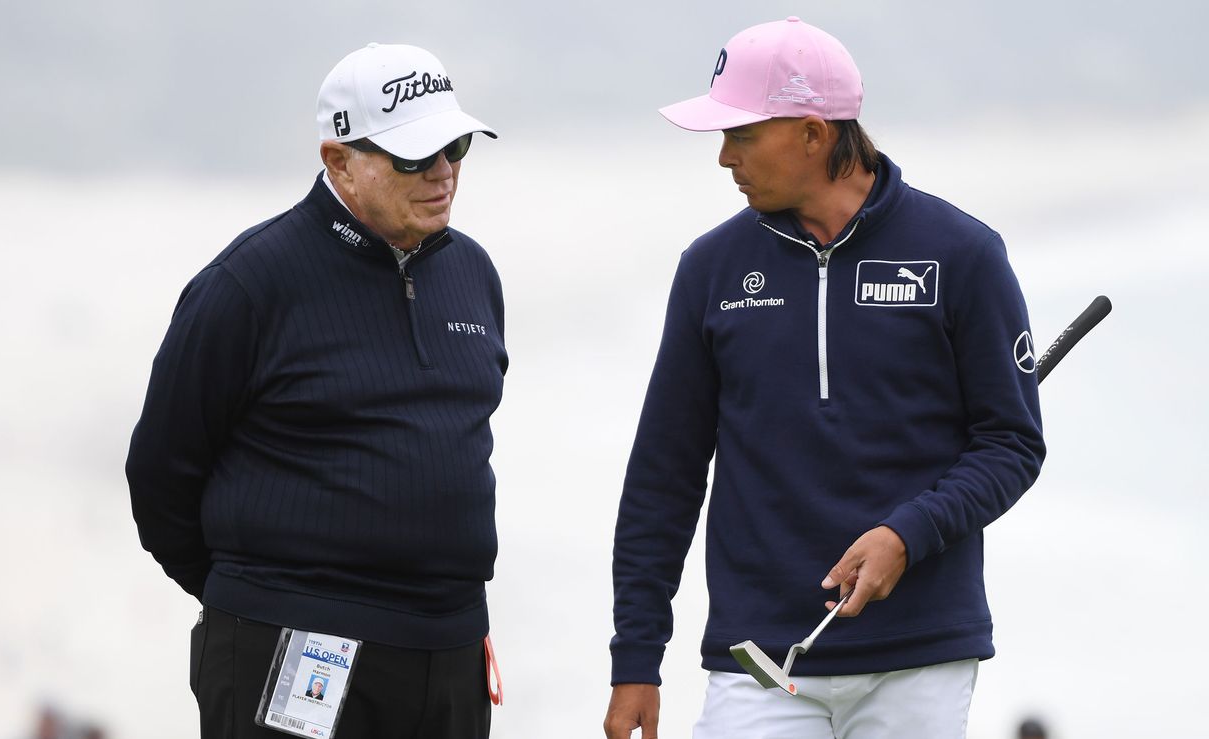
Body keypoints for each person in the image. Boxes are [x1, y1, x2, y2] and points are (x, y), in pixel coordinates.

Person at [604, 17, 1045, 739]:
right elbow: (664, 475)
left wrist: (909, 533)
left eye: (740, 135)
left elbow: (1011, 444)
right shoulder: (710, 269)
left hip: (919, 658)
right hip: (758, 664)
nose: (723, 158)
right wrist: (636, 659)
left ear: (813, 133)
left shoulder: (962, 254)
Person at [126, 42, 505, 739]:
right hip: (290, 645)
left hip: (446, 651)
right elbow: (159, 475)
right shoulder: (248, 284)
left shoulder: (473, 273)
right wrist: (258, 600)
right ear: (338, 160)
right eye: (415, 156)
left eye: (456, 146)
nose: (444, 173)